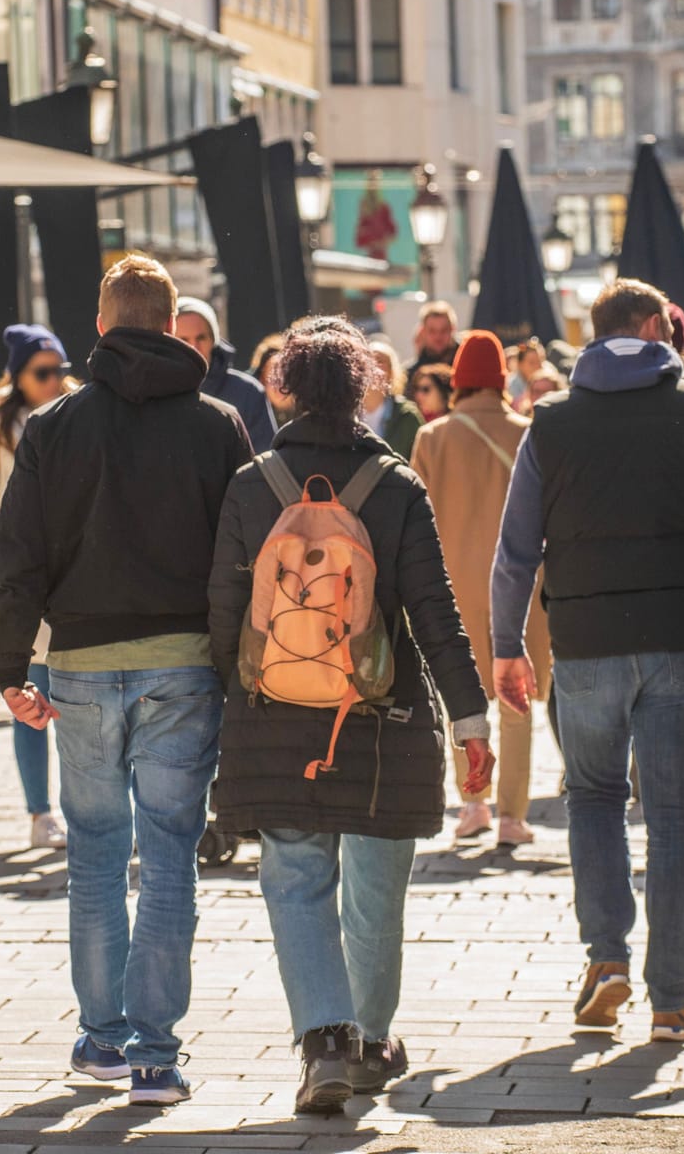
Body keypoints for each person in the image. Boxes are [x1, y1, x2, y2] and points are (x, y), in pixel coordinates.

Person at [490, 279, 684, 1043]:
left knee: (592, 798)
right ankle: (673, 1000)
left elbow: (516, 549)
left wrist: (506, 645)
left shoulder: (550, 421)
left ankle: (606, 959)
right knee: (674, 818)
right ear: (656, 328)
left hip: (586, 640)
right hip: (683, 638)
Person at [206, 316, 492, 1113]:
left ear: (286, 387)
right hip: (380, 716)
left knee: (293, 877)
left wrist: (226, 713)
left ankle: (323, 1040)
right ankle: (368, 1042)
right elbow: (435, 612)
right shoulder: (394, 484)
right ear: (367, 388)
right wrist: (470, 722)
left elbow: (225, 614)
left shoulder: (250, 483)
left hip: (274, 714)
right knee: (376, 885)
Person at [0, 254, 252, 1107]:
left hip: (82, 666)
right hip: (184, 664)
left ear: (99, 326)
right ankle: (155, 1057)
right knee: (169, 854)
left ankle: (101, 1039)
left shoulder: (54, 427)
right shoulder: (216, 426)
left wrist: (7, 665)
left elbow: (19, 556)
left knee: (96, 854)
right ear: (174, 325)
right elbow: (238, 558)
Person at [411, 331, 552, 846]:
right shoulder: (528, 433)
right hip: (520, 587)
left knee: (462, 699)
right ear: (499, 380)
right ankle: (513, 817)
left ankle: (472, 804)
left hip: (453, 588)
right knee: (518, 702)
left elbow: (417, 520)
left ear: (457, 381)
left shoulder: (433, 438)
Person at [0, 324, 75, 851]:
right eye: (43, 371)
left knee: (83, 707)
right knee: (30, 698)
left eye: (60, 369)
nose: (56, 380)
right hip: (28, 585)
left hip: (78, 582)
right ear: (19, 376)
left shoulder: (79, 414)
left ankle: (92, 809)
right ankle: (40, 812)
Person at [177, 297, 275, 449]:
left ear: (213, 340)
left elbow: (263, 458)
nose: (194, 347)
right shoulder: (154, 391)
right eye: (183, 339)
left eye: (201, 337)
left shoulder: (248, 393)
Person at [362, 339, 425, 460]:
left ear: (391, 372)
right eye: (367, 361)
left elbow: (422, 460)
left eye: (379, 361)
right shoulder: (347, 413)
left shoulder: (407, 415)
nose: (373, 366)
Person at [405, 298, 461, 384]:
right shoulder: (411, 374)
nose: (438, 336)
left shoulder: (466, 365)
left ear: (453, 329)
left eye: (444, 330)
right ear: (423, 331)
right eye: (432, 331)